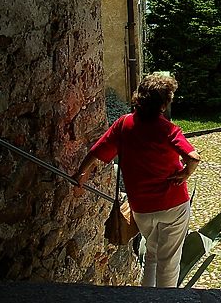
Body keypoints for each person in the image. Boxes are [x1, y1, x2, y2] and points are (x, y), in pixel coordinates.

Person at [73, 73, 201, 287]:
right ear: (163, 104)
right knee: (168, 262)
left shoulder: (124, 124)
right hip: (173, 205)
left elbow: (97, 152)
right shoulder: (168, 130)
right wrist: (186, 173)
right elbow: (193, 157)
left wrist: (81, 173)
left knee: (151, 253)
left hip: (141, 207)